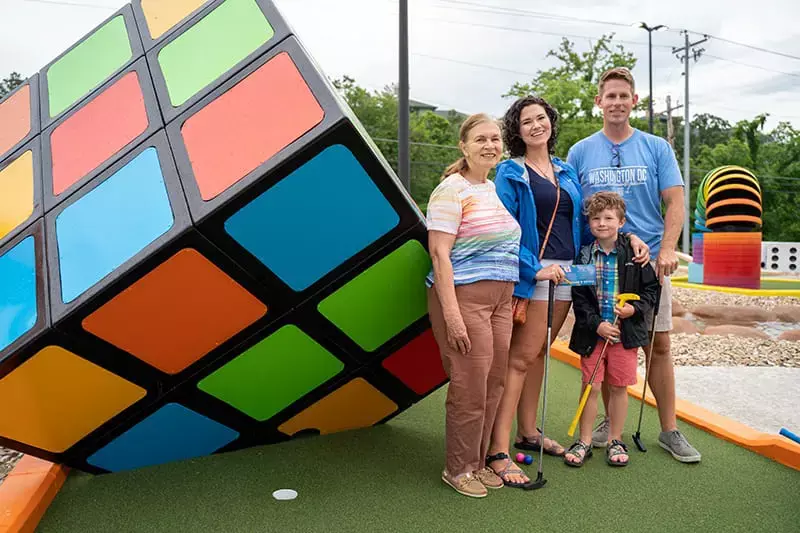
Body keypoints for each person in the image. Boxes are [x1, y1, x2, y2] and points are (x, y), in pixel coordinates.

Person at [567, 66, 702, 462]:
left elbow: (674, 202)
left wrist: (667, 249)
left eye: (623, 96)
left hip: (647, 263)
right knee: (606, 340)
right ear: (599, 102)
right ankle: (610, 424)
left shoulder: (656, 147)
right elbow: (576, 212)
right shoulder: (581, 151)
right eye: (610, 96)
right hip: (603, 263)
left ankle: (670, 430)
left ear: (634, 101)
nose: (617, 102)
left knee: (658, 344)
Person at [484, 96, 584, 486]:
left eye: (541, 118)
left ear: (551, 123)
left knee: (540, 353)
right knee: (519, 359)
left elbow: (580, 223)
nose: (536, 125)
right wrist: (535, 269)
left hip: (567, 275)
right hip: (536, 277)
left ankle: (529, 431)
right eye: (527, 121)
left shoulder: (566, 170)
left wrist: (624, 237)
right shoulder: (510, 172)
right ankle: (498, 449)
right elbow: (505, 229)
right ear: (517, 130)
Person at [426, 113, 522, 498]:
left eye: (495, 139)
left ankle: (478, 462)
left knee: (494, 382)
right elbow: (439, 254)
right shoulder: (451, 190)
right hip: (465, 299)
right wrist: (452, 315)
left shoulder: (492, 188)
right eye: (480, 139)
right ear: (463, 146)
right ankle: (458, 468)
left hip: (500, 300)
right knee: (470, 386)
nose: (490, 145)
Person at [565, 192, 659, 467]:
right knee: (590, 386)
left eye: (608, 218)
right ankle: (584, 439)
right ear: (589, 223)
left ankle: (615, 439)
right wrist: (597, 325)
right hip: (593, 335)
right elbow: (579, 298)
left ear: (621, 222)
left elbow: (651, 290)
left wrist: (634, 309)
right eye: (596, 218)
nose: (602, 223)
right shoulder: (584, 255)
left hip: (623, 335)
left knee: (618, 387)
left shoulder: (635, 255)